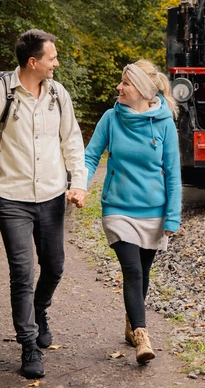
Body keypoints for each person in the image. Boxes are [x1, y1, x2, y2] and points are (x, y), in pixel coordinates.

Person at [0, 29, 88, 379]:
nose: (57, 63)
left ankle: (40, 308)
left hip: (52, 196)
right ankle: (28, 343)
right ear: (33, 62)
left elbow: (73, 143)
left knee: (54, 267)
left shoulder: (58, 95)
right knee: (21, 272)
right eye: (52, 57)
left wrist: (78, 183)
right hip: (11, 198)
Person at [82, 59, 182, 364]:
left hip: (153, 210)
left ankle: (130, 322)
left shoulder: (164, 124)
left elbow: (173, 172)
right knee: (133, 270)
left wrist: (172, 215)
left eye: (125, 83)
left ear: (140, 89)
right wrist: (81, 186)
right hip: (118, 208)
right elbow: (90, 157)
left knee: (144, 271)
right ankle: (141, 334)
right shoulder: (111, 118)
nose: (119, 87)